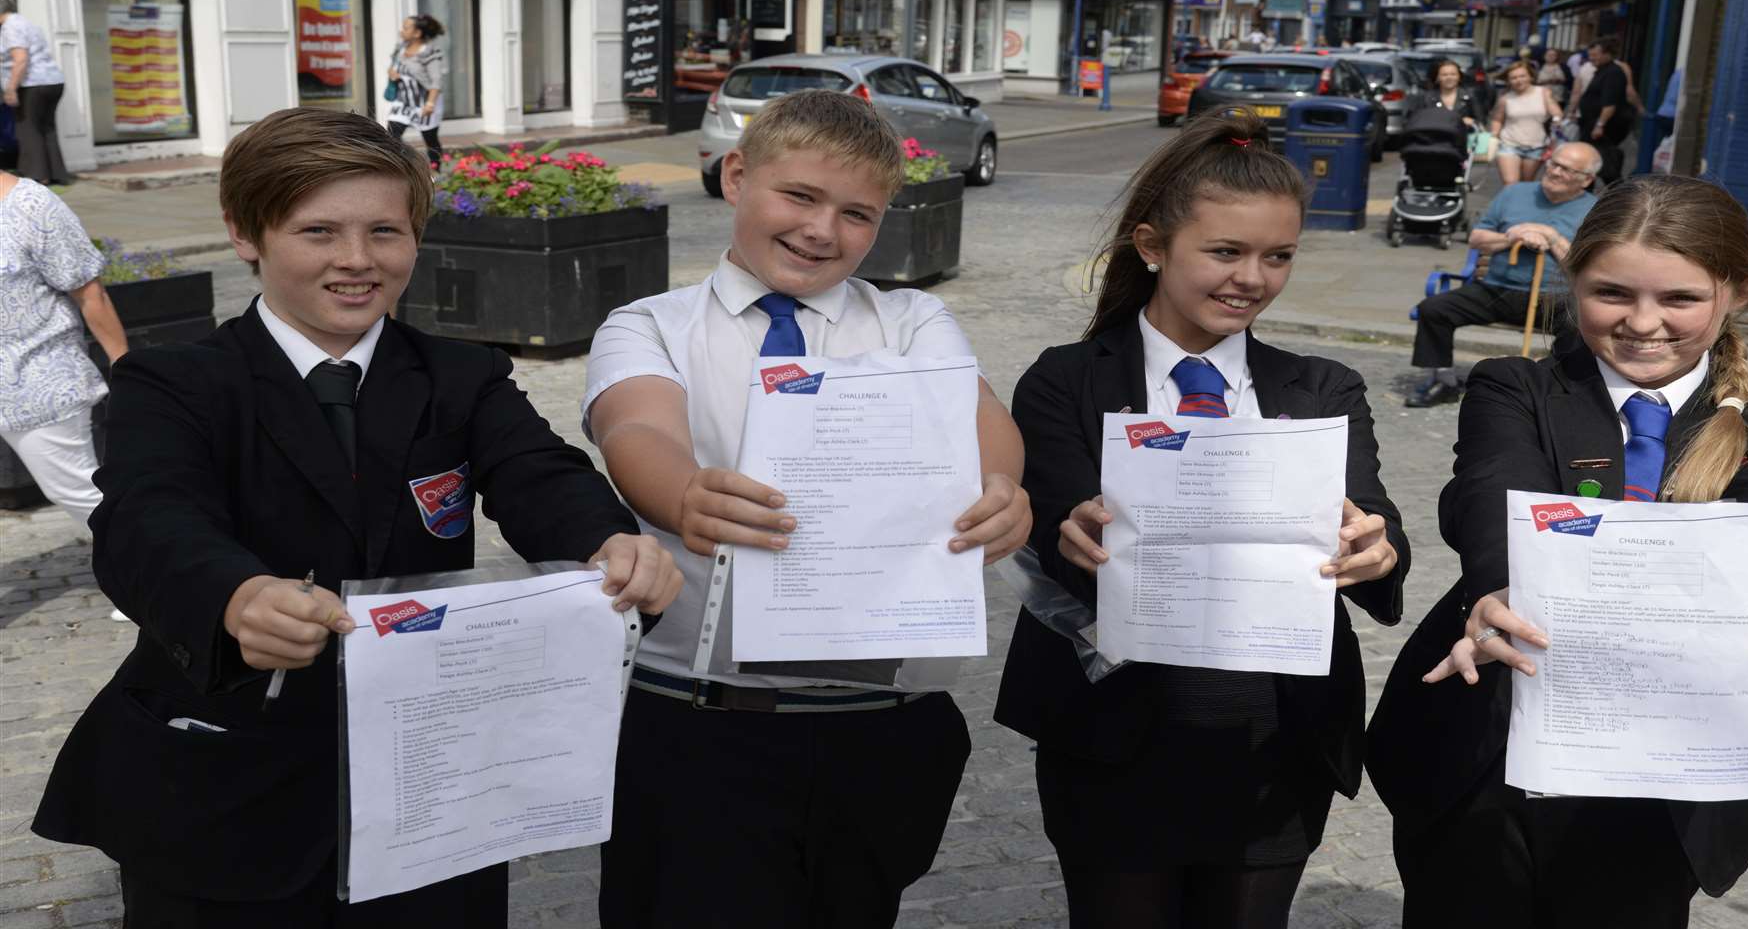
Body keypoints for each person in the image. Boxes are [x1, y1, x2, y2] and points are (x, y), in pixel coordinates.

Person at [31, 107, 682, 927]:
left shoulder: (460, 374)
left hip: (434, 792)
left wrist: (608, 538)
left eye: (385, 231)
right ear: (246, 234)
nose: (356, 260)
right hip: (226, 795)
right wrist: (234, 596)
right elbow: (146, 520)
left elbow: (540, 473)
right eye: (317, 231)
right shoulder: (174, 384)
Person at [1368, 175, 1748, 928]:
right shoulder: (1517, 388)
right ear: (1573, 284)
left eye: (1679, 299)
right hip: (1490, 752)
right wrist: (1501, 588)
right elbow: (1489, 494)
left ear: (1737, 293)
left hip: (1662, 782)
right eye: (1613, 294)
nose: (1644, 324)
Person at [583, 88, 1031, 929]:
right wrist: (683, 493)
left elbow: (981, 422)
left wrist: (1002, 490)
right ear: (737, 175)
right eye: (799, 196)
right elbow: (635, 426)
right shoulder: (651, 325)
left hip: (881, 728)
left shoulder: (910, 320)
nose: (823, 231)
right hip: (697, 723)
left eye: (857, 214)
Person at [995, 107, 1411, 929]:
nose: (1251, 278)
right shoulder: (1065, 379)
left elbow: (1372, 510)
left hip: (1272, 736)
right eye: (1224, 251)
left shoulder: (1320, 388)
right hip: (1115, 732)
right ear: (1153, 247)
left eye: (1278, 256)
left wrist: (1377, 547)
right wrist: (1067, 531)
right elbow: (1047, 512)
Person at [1404, 141, 1602, 408]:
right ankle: (1444, 381)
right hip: (1496, 290)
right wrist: (1514, 235)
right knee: (1434, 308)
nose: (1554, 172)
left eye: (1566, 170)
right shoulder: (1515, 193)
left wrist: (1552, 238)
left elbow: (1586, 268)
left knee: (1578, 325)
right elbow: (1477, 238)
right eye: (1553, 164)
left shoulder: (1595, 210)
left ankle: (1558, 389)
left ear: (1586, 179)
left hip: (1553, 298)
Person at [0, 171, 126, 534]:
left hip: (37, 381)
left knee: (79, 493)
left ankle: (163, 573)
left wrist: (126, 368)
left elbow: (90, 293)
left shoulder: (31, 205)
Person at [0, 0, 77, 186]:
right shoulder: (27, 23)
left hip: (33, 84)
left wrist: (10, 89)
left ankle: (37, 176)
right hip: (53, 81)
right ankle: (57, 174)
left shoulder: (11, 27)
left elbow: (21, 59)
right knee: (47, 128)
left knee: (28, 128)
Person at [1488, 59, 1564, 185]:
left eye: (1522, 76)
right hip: (1509, 144)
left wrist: (1556, 120)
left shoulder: (1543, 92)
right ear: (1509, 81)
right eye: (1514, 78)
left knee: (1526, 184)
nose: (1518, 80)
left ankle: (1521, 204)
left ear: (1530, 76)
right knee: (1510, 183)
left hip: (1536, 146)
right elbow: (1497, 120)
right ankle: (1510, 204)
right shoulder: (1505, 98)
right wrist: (1493, 137)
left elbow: (1557, 114)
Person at [386, 14, 447, 171]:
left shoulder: (429, 52)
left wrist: (430, 103)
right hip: (403, 101)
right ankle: (397, 168)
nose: (402, 30)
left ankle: (437, 170)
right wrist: (393, 74)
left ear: (417, 33)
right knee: (391, 135)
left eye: (406, 27)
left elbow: (436, 81)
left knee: (430, 139)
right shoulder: (400, 48)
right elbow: (393, 67)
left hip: (424, 102)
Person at [1576, 36, 1636, 185]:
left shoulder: (1613, 73)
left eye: (1595, 55)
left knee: (1602, 161)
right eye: (1590, 55)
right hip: (1591, 123)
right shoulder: (1602, 70)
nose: (1591, 59)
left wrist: (1600, 125)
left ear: (1607, 54)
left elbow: (1609, 103)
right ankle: (1587, 190)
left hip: (1603, 128)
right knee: (1592, 159)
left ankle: (1616, 191)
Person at [1415, 59, 1484, 129]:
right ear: (1437, 78)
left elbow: (1480, 122)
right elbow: (1418, 121)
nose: (1449, 78)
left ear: (1459, 77)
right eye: (1444, 75)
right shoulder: (1427, 98)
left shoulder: (1469, 97)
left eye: (1453, 74)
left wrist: (1471, 122)